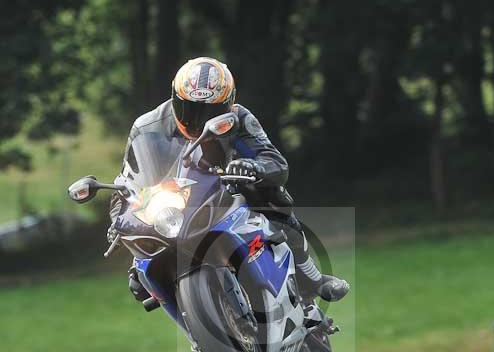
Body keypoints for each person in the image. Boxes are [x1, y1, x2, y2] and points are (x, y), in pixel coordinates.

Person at [109, 56, 349, 303]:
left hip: (226, 193)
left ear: (228, 104)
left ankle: (311, 277)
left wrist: (253, 167)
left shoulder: (239, 118)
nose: (198, 119)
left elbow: (276, 163)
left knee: (274, 195)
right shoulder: (146, 128)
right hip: (172, 211)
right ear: (175, 99)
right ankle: (198, 333)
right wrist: (119, 221)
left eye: (211, 111)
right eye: (189, 108)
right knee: (139, 280)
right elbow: (126, 184)